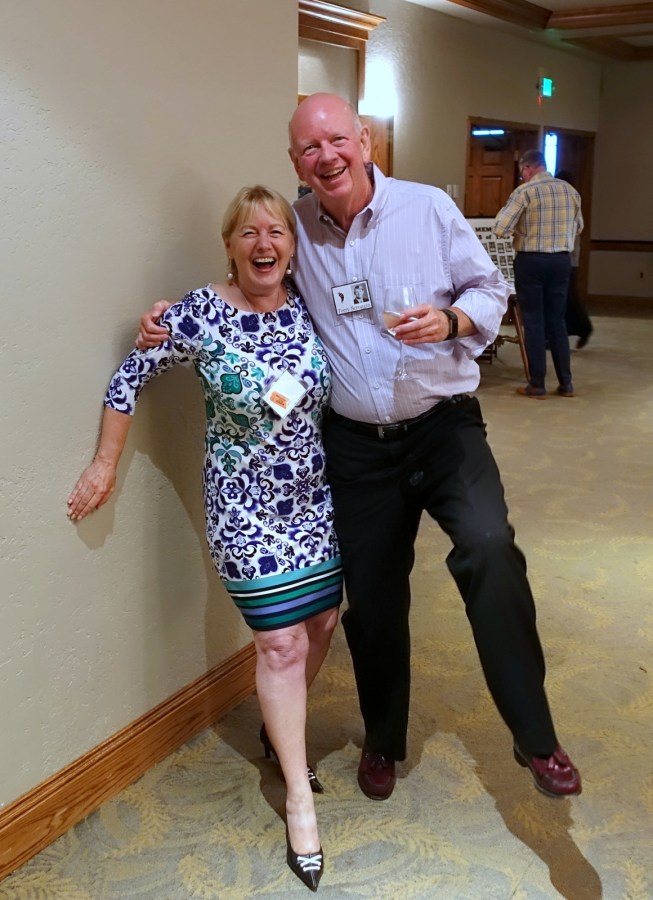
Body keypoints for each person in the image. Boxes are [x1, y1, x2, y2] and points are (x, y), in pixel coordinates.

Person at [137, 93, 582, 805]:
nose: (327, 156)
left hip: (443, 425)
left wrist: (450, 320)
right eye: (310, 148)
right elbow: (250, 281)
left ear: (365, 141)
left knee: (489, 546)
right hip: (355, 446)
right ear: (296, 162)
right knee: (372, 600)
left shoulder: (426, 209)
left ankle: (535, 736)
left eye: (338, 140)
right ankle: (382, 739)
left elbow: (490, 287)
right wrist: (169, 319)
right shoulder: (294, 227)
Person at [68, 185, 342, 892]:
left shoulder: (308, 301)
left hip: (314, 503)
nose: (263, 244)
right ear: (229, 246)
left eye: (276, 232)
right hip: (243, 508)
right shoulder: (196, 313)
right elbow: (127, 379)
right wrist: (104, 463)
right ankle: (298, 796)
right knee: (278, 642)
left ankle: (275, 734)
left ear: (291, 247)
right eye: (249, 232)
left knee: (321, 623)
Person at [494, 149, 584, 398]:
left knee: (533, 321)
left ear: (527, 168)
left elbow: (500, 228)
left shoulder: (524, 192)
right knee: (557, 320)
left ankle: (537, 384)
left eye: (521, 172)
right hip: (561, 261)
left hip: (531, 261)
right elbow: (579, 227)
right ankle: (566, 383)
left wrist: (523, 230)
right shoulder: (570, 191)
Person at [555, 169, 593, 349]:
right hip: (566, 259)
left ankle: (584, 328)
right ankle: (569, 331)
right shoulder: (572, 201)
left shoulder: (569, 203)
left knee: (568, 298)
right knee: (565, 298)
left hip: (566, 258)